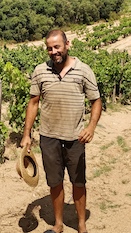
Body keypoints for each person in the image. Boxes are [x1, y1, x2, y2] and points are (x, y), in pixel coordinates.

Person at [21, 29, 102, 233]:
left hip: (75, 138)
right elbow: (33, 103)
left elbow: (96, 101)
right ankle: (58, 224)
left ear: (67, 44)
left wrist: (91, 127)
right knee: (55, 182)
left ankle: (81, 223)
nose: (54, 51)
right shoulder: (40, 71)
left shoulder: (83, 70)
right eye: (49, 48)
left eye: (57, 46)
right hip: (49, 138)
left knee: (78, 182)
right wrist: (26, 134)